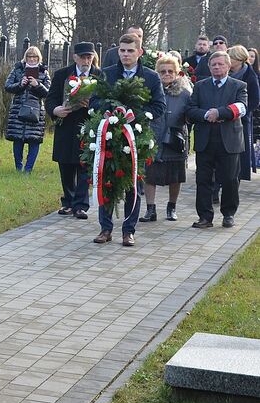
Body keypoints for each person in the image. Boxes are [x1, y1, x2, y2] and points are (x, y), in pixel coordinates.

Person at [92, 33, 166, 247]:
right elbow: (94, 101)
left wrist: (135, 115)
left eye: (130, 50)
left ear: (139, 52)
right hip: (110, 134)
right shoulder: (106, 73)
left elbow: (159, 106)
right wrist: (110, 112)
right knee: (106, 181)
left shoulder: (151, 77)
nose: (125, 54)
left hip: (136, 137)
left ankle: (128, 231)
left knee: (133, 185)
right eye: (122, 50)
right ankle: (105, 228)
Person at [187, 51, 248, 228]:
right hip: (205, 141)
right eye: (213, 64)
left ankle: (228, 214)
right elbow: (190, 109)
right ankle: (205, 217)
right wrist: (207, 115)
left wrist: (219, 113)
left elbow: (242, 107)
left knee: (230, 179)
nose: (217, 67)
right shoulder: (200, 86)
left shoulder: (239, 86)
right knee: (203, 180)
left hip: (229, 141)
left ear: (228, 66)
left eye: (220, 64)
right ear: (209, 67)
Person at [45, 42, 102, 219]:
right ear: (75, 57)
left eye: (89, 57)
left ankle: (81, 205)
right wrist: (56, 110)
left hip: (88, 126)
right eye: (83, 57)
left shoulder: (100, 75)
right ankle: (68, 202)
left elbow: (105, 101)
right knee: (66, 165)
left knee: (85, 165)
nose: (86, 61)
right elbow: (50, 99)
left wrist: (91, 105)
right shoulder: (62, 74)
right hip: (66, 126)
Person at [139, 55, 192, 222]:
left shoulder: (185, 94)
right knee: (150, 175)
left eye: (170, 71)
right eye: (163, 71)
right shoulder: (150, 91)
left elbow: (191, 115)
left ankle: (172, 207)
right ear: (157, 73)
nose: (167, 74)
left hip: (175, 139)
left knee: (176, 176)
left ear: (177, 73)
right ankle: (150, 209)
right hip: (153, 138)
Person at [4, 46, 51, 173]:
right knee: (18, 139)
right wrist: (20, 84)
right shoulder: (18, 69)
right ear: (26, 57)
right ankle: (18, 167)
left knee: (34, 139)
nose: (32, 59)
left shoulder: (44, 72)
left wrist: (37, 85)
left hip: (36, 110)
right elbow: (7, 86)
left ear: (38, 58)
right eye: (29, 56)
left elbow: (48, 93)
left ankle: (28, 169)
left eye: (34, 57)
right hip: (18, 108)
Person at [227, 45, 259, 181]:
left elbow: (255, 99)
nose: (228, 60)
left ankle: (237, 177)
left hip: (241, 119)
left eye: (231, 57)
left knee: (240, 150)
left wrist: (242, 111)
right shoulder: (225, 72)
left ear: (239, 59)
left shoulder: (250, 75)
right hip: (224, 116)